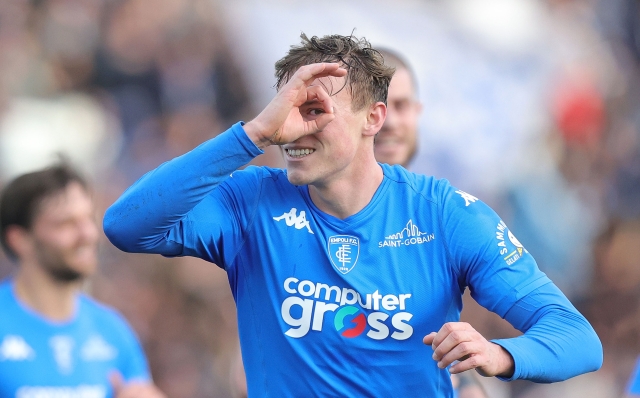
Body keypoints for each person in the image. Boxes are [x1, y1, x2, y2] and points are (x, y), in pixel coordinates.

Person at [104, 33, 603, 397]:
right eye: (286, 110)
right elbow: (126, 226)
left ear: (373, 118)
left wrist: (502, 355)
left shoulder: (445, 214)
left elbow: (577, 338)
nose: (294, 129)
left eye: (314, 111)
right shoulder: (251, 202)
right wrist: (251, 135)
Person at [376, 47, 489, 398]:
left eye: (402, 106)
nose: (391, 122)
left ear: (418, 113)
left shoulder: (443, 213)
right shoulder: (298, 211)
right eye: (378, 107)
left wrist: (468, 383)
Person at [0, 162, 165, 398]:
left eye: (89, 219)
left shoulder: (113, 332)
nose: (88, 234)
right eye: (66, 223)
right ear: (19, 239)